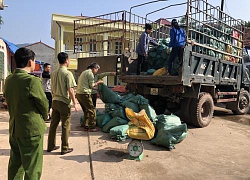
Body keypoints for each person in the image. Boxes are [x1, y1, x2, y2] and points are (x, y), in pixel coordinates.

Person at [3, 47, 48, 180]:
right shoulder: (32, 81)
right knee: (33, 168)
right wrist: (44, 116)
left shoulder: (9, 80)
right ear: (30, 62)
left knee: (16, 164)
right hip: (31, 130)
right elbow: (43, 104)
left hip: (15, 128)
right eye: (34, 61)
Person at [47, 52, 78, 155]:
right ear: (66, 60)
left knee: (53, 124)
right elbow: (70, 89)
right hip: (64, 102)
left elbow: (51, 89)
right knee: (65, 125)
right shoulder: (67, 73)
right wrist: (75, 103)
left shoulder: (53, 73)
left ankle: (50, 146)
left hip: (55, 101)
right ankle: (64, 147)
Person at [76, 62, 103, 132]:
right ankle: (92, 126)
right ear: (94, 68)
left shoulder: (84, 72)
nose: (97, 71)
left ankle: (86, 125)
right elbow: (92, 85)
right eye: (97, 69)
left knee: (86, 111)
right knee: (92, 110)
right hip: (85, 94)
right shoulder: (90, 74)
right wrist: (98, 82)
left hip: (79, 94)